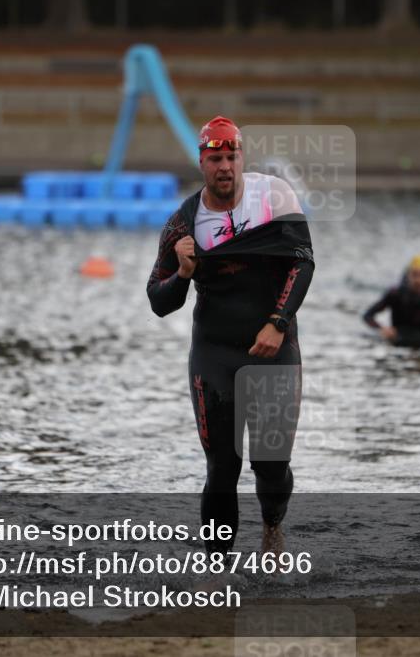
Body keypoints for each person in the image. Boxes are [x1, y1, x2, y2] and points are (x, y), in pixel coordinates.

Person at [147, 116, 314, 556]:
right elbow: (159, 301)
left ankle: (272, 530)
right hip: (214, 353)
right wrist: (183, 273)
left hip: (274, 347)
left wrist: (277, 323)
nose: (225, 166)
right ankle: (217, 567)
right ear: (202, 163)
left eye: (232, 157)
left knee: (271, 465)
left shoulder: (273, 197)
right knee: (222, 466)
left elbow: (303, 262)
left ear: (243, 158)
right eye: (215, 158)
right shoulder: (184, 223)